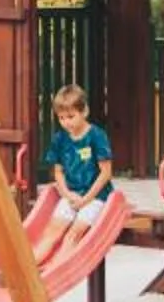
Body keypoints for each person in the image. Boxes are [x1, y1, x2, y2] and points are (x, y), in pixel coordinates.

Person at [42, 86, 115, 247]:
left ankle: (60, 269)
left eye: (71, 116)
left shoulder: (96, 136)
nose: (66, 122)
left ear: (84, 112)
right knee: (52, 231)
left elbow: (106, 173)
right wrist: (67, 194)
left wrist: (86, 199)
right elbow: (58, 172)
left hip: (96, 197)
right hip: (72, 195)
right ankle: (30, 269)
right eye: (61, 118)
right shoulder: (59, 139)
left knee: (73, 234)